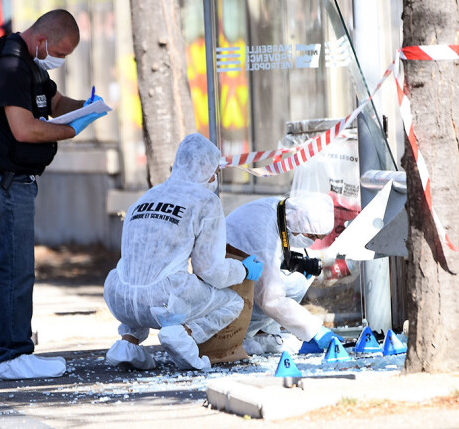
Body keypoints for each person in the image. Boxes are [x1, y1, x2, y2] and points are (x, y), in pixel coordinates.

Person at [0, 9, 107, 381]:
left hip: (9, 179)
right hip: (0, 180)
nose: (61, 60)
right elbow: (25, 129)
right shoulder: (11, 65)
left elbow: (54, 104)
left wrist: (88, 108)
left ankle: (13, 352)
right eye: (60, 52)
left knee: (15, 266)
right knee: (13, 269)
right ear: (42, 40)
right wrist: (70, 133)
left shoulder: (31, 64)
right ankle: (12, 357)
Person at [103, 133, 263, 371]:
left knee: (144, 278)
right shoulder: (205, 201)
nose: (214, 178)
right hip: (163, 302)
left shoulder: (146, 197)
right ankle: (182, 335)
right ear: (205, 167)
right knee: (232, 303)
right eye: (215, 172)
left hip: (119, 297)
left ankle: (129, 343)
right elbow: (210, 270)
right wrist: (243, 269)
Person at [225, 193, 344, 355]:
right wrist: (314, 329)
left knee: (296, 283)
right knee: (272, 293)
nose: (313, 241)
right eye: (312, 236)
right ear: (299, 222)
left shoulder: (283, 211)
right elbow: (270, 298)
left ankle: (265, 333)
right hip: (227, 293)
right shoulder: (265, 233)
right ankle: (242, 335)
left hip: (238, 277)